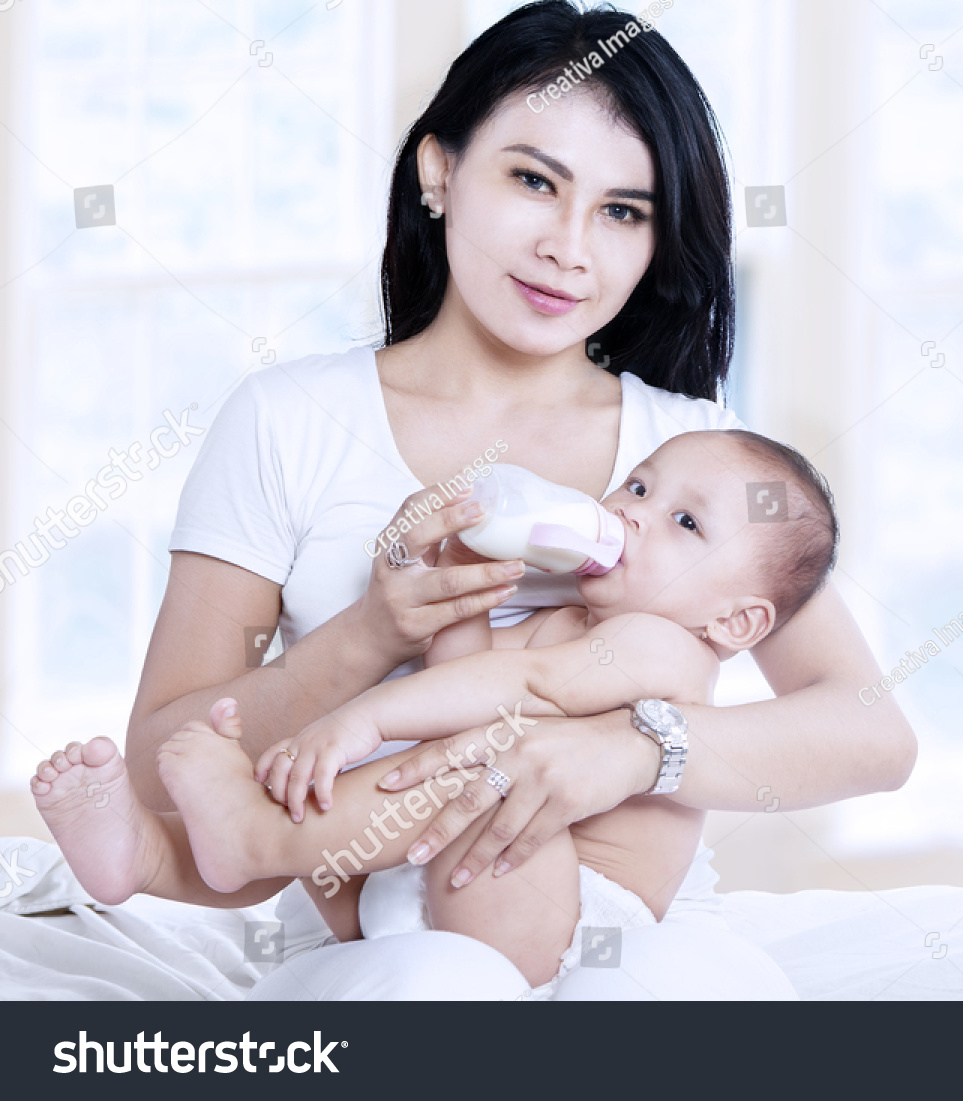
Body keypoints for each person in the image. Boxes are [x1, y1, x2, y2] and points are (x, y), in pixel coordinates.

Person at [116, 0, 914, 1000]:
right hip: (377, 925)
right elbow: (159, 771)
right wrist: (369, 633)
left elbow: (871, 736)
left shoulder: (686, 452)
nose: (569, 248)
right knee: (439, 992)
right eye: (535, 181)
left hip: (644, 931)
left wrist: (631, 751)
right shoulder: (289, 420)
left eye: (624, 211)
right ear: (439, 170)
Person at [34, 430, 839, 999]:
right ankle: (148, 859)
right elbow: (469, 677)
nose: (632, 511)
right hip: (428, 882)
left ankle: (239, 838)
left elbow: (516, 685)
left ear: (736, 623)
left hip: (558, 918)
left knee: (478, 758)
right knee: (399, 769)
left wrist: (368, 720)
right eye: (637, 485)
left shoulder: (666, 649)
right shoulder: (574, 622)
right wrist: (459, 570)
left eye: (685, 522)